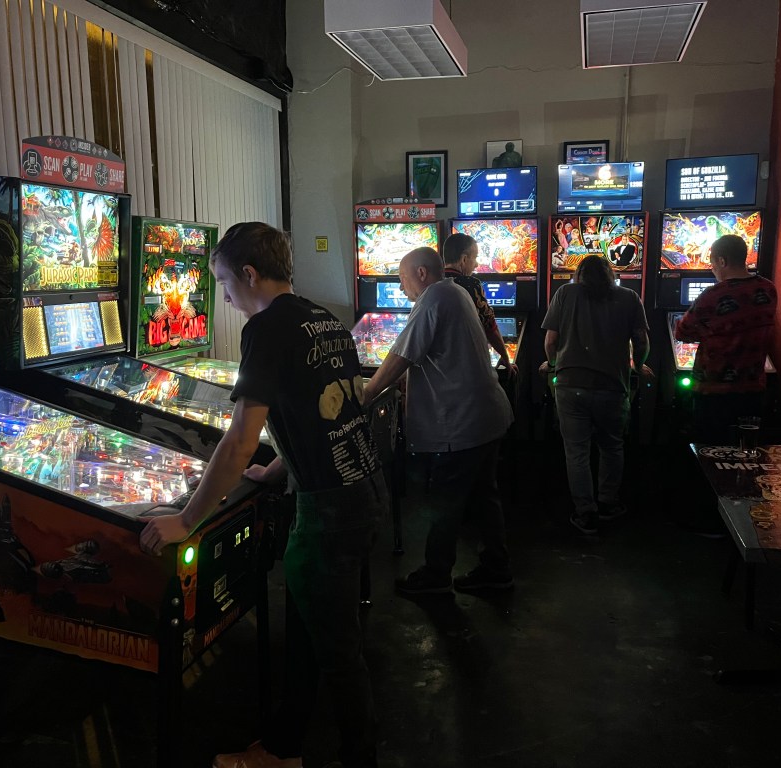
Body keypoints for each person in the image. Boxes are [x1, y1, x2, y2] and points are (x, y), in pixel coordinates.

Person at [139, 222, 387, 768]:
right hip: (362, 488)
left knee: (339, 651)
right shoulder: (321, 317)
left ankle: (357, 756)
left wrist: (187, 518)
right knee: (307, 630)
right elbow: (330, 411)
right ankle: (283, 748)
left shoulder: (267, 328)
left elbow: (237, 441)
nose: (224, 297)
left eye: (225, 282)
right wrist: (276, 469)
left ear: (249, 273)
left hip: (329, 509)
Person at [363, 247, 514, 595]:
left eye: (401, 279)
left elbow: (401, 353)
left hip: (463, 424)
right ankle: (497, 568)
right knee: (484, 497)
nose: (400, 288)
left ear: (420, 273)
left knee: (445, 500)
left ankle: (435, 575)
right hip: (486, 417)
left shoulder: (434, 297)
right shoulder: (456, 291)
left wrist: (367, 393)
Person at [541, 255, 650, 535]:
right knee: (611, 446)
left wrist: (553, 364)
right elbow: (641, 342)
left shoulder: (565, 292)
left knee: (576, 450)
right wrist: (638, 365)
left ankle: (585, 512)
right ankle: (608, 503)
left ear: (578, 275)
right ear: (611, 274)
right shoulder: (629, 297)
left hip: (569, 384)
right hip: (612, 385)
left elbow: (551, 341)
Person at [673, 234, 777, 444]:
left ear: (722, 261)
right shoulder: (768, 289)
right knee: (746, 446)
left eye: (712, 262)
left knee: (711, 448)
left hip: (714, 388)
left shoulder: (713, 295)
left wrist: (709, 331)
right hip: (753, 385)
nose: (712, 269)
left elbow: (681, 332)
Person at [441, 232, 517, 375]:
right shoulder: (471, 284)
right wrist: (505, 357)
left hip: (438, 368)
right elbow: (489, 325)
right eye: (474, 258)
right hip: (466, 367)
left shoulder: (433, 283)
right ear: (464, 259)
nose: (476, 264)